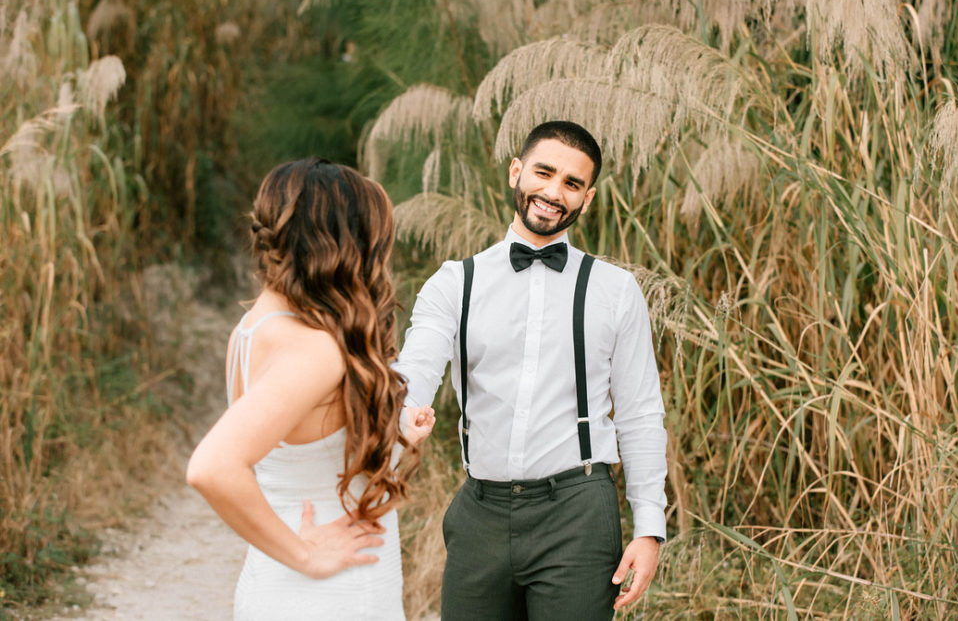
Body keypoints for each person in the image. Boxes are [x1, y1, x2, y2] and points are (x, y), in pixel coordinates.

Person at [395, 121, 668, 619]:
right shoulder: (455, 282)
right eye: (543, 173)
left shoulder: (615, 290)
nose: (553, 192)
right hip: (480, 512)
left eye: (572, 183)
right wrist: (404, 414)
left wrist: (649, 527)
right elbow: (414, 369)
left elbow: (640, 414)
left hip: (578, 513)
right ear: (516, 172)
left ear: (587, 198)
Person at [187, 158, 435, 620]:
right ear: (340, 243)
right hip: (333, 590)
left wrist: (397, 439)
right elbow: (213, 466)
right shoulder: (315, 349)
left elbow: (300, 457)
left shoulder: (252, 328)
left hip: (277, 580)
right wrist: (307, 555)